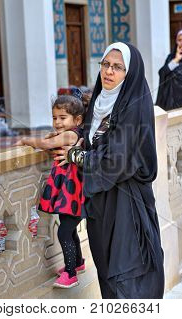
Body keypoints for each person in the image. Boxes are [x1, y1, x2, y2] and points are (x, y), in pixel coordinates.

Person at [53, 42, 165, 298]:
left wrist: (75, 155)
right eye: (105, 64)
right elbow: (94, 135)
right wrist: (77, 136)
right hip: (101, 204)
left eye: (117, 67)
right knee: (106, 271)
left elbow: (117, 158)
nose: (109, 72)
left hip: (127, 203)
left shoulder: (134, 105)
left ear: (129, 72)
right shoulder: (100, 100)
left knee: (127, 275)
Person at [16, 95, 85, 289]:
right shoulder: (70, 134)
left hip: (75, 195)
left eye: (63, 117)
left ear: (77, 120)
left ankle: (71, 274)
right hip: (69, 193)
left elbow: (46, 145)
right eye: (55, 117)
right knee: (68, 228)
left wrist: (26, 140)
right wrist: (50, 138)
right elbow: (50, 142)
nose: (57, 122)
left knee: (64, 232)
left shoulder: (72, 134)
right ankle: (78, 262)